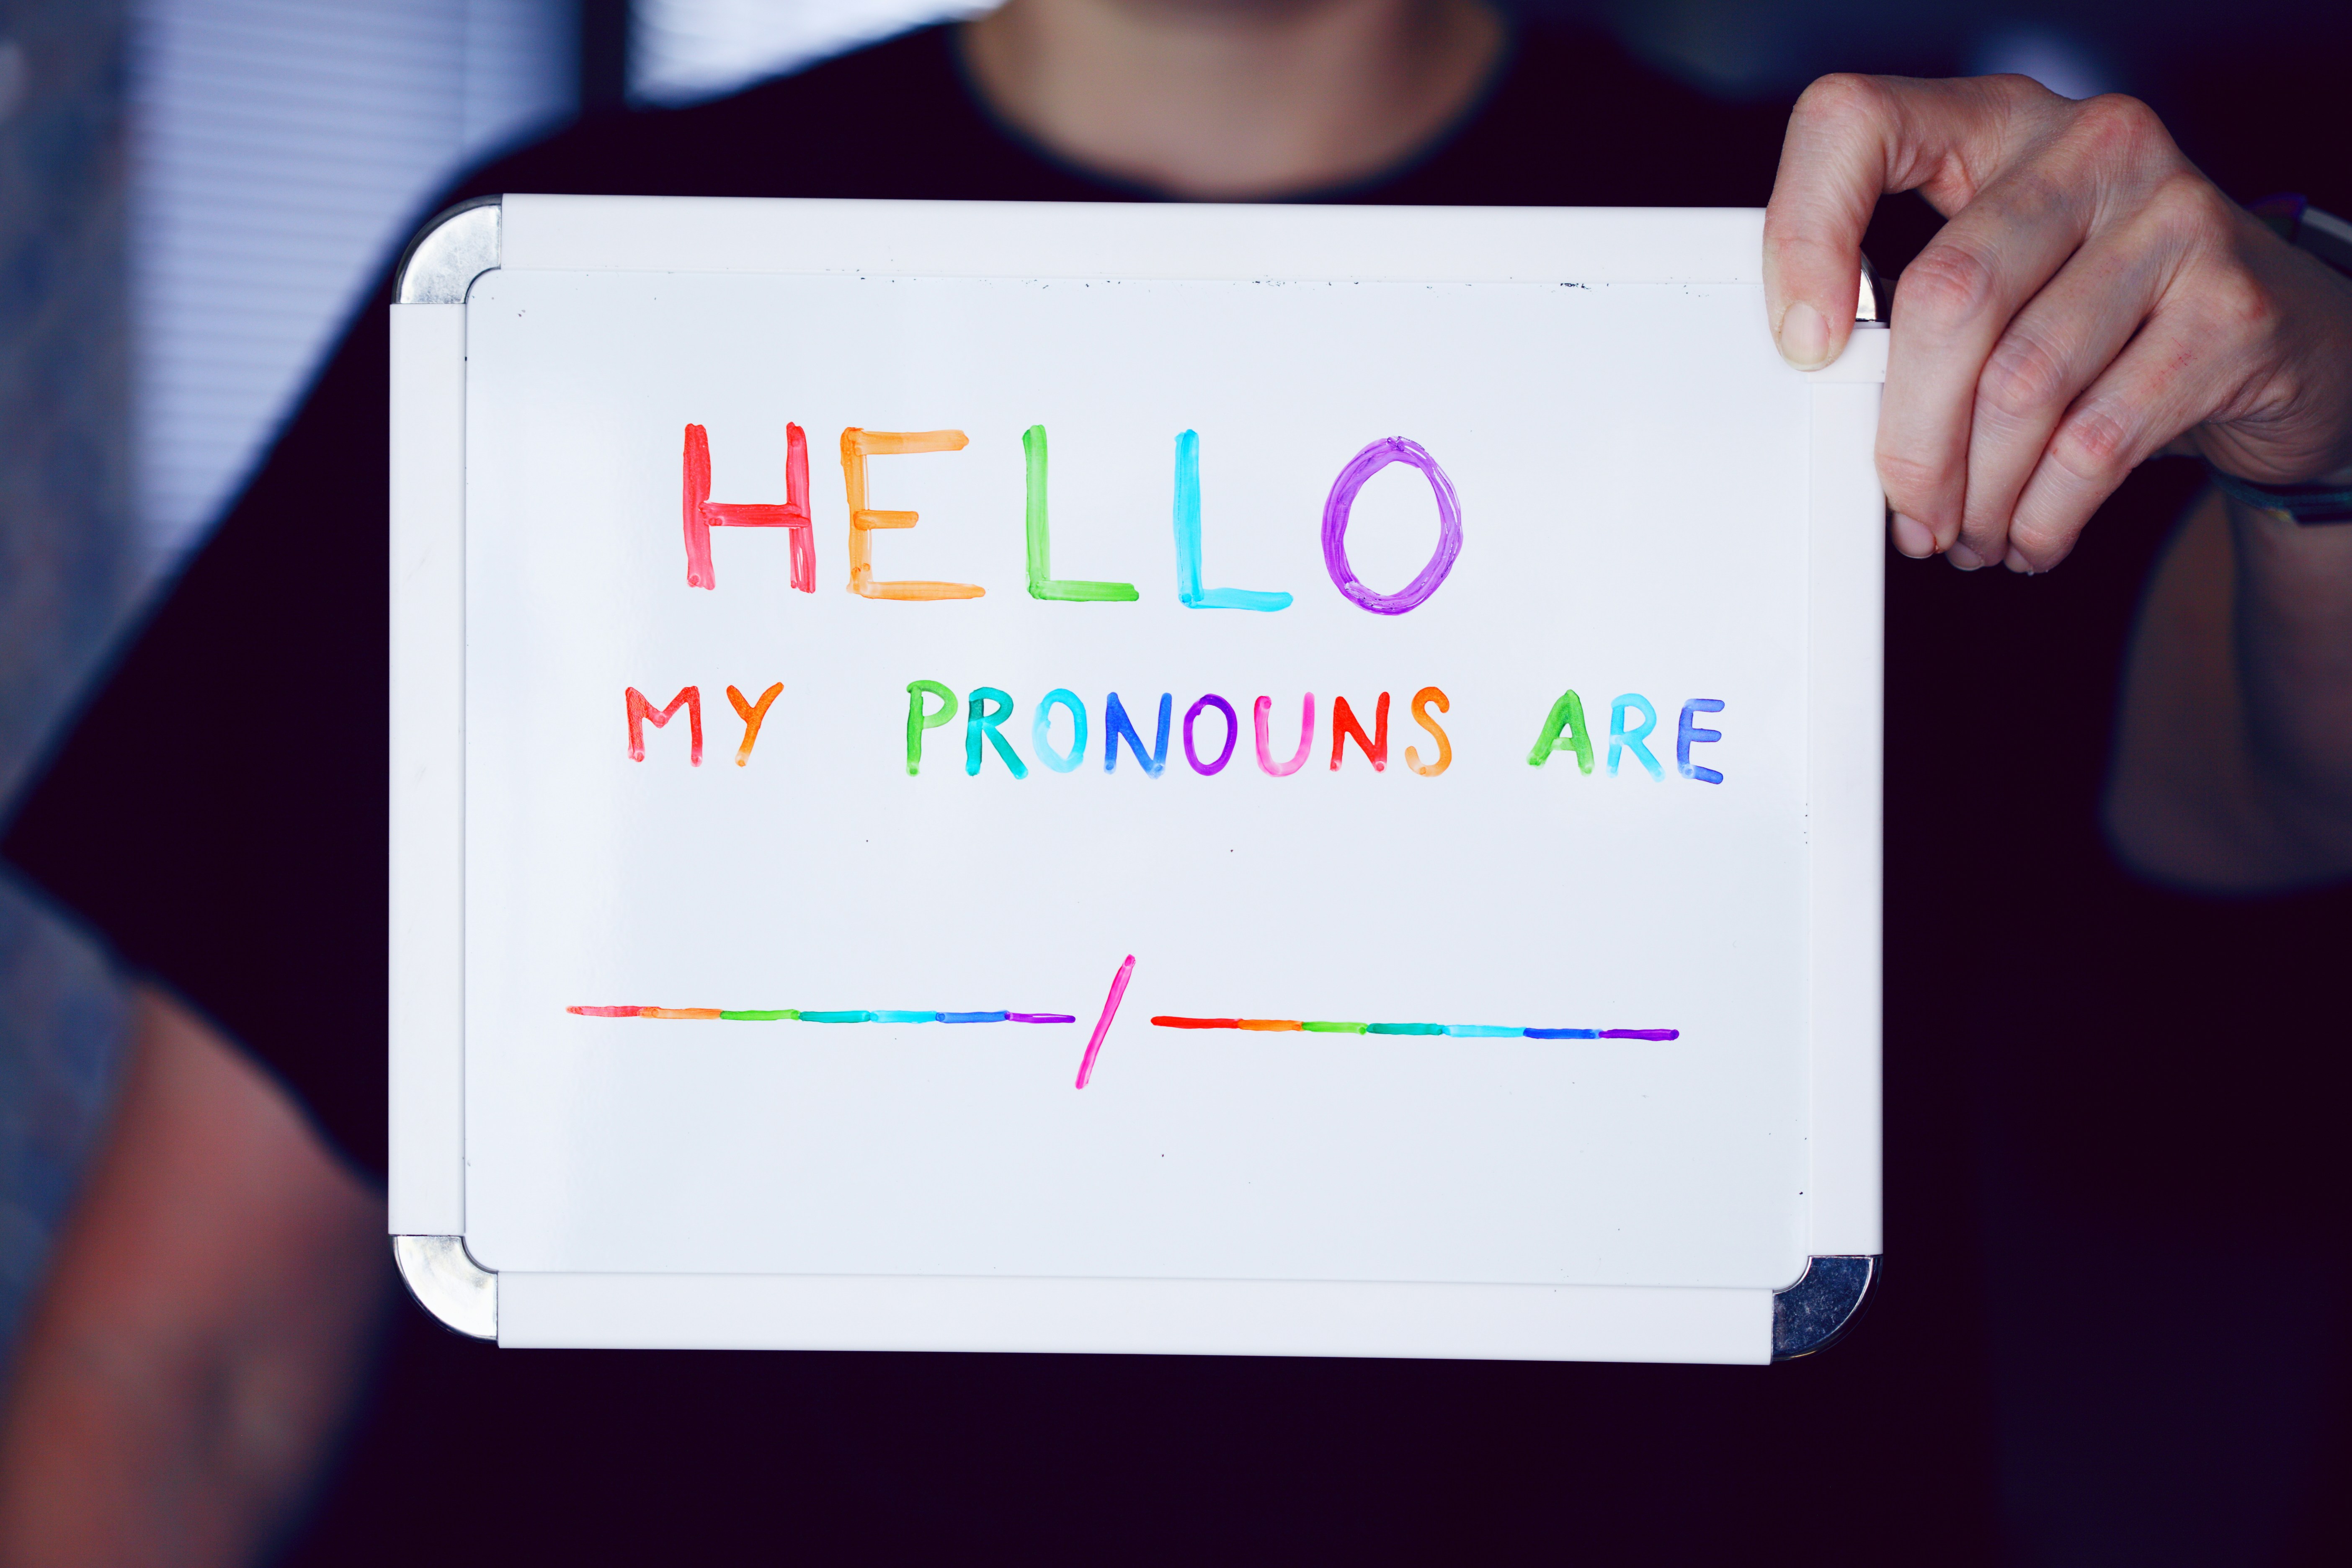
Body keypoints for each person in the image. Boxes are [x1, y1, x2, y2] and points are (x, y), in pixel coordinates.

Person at [3, 1, 2348, 1561]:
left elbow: (2277, 781)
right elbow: (179, 1357)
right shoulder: (562, 296)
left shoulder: (1865, 295)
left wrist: (2323, 417)